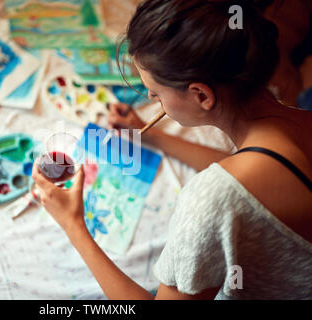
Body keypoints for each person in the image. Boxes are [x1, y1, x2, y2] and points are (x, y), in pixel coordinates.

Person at [32, 0, 312, 300]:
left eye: (155, 94)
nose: (154, 102)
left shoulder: (214, 199)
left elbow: (234, 191)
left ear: (201, 94)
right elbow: (245, 173)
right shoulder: (297, 121)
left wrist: (73, 225)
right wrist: (155, 139)